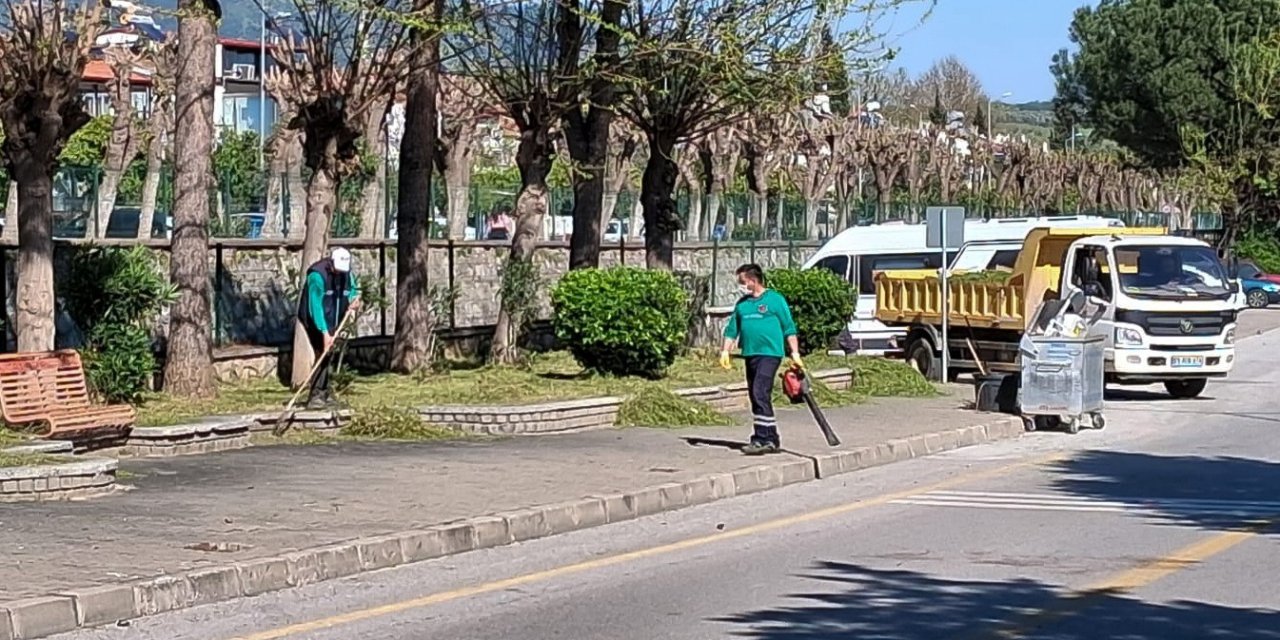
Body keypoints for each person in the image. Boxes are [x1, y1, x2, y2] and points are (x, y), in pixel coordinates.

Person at [720, 264, 802, 455]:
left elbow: (788, 328)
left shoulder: (774, 300)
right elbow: (732, 330)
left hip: (770, 354)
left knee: (759, 391)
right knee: (756, 395)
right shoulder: (743, 304)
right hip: (750, 354)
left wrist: (795, 353)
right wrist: (725, 351)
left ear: (752, 280)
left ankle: (761, 438)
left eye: (742, 281)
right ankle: (771, 437)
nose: (741, 285)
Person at [296, 247, 361, 409]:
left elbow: (353, 290)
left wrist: (354, 299)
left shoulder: (345, 273)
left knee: (329, 353)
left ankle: (324, 391)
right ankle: (316, 395)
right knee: (321, 351)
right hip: (315, 320)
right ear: (330, 263)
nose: (339, 274)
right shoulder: (317, 277)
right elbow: (315, 307)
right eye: (337, 270)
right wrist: (324, 333)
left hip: (334, 318)